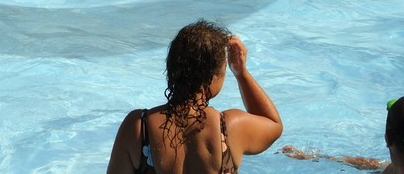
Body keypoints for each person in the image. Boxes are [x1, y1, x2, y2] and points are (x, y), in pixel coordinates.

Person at [106, 20, 280, 174]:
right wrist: (241, 73)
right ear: (211, 77)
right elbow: (273, 124)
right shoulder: (230, 128)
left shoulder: (138, 128)